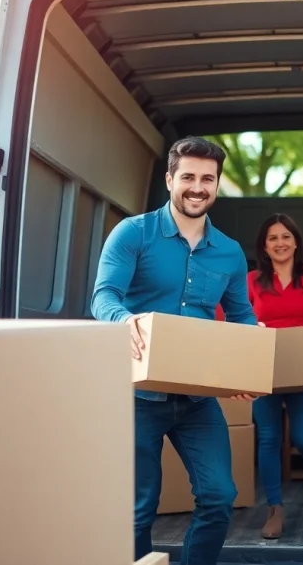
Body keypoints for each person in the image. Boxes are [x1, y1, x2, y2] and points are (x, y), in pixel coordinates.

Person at [91, 136, 259, 565]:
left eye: (208, 178)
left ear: (218, 185)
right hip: (136, 396)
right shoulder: (134, 233)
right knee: (136, 510)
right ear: (170, 179)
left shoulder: (230, 252)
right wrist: (123, 320)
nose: (197, 187)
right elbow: (104, 296)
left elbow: (241, 317)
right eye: (188, 176)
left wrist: (247, 366)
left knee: (220, 496)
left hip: (198, 399)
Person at [245, 213, 303, 539]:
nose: (280, 243)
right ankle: (275, 509)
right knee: (268, 438)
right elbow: (238, 318)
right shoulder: (253, 280)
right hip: (264, 368)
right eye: (273, 238)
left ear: (296, 241)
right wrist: (248, 328)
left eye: (285, 236)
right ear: (264, 246)